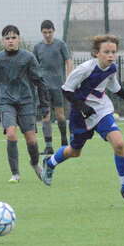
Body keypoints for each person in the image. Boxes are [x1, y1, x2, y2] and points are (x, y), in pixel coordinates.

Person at [41, 34, 124, 200]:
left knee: (119, 144)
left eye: (113, 52)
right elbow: (66, 90)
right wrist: (82, 107)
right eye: (106, 52)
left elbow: (115, 87)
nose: (111, 55)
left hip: (102, 111)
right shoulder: (85, 69)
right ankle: (50, 162)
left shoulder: (112, 68)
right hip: (80, 114)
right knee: (75, 152)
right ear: (97, 53)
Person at [0, 25, 49, 183]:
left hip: (26, 102)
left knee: (31, 139)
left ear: (19, 39)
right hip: (6, 102)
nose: (10, 41)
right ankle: (15, 174)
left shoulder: (28, 58)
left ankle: (35, 163)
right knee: (11, 134)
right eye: (7, 38)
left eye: (13, 37)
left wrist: (44, 105)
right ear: (2, 41)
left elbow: (40, 82)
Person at [33, 20, 73, 155]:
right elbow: (34, 66)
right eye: (45, 32)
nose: (48, 35)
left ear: (53, 31)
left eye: (50, 32)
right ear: (42, 32)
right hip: (43, 87)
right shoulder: (38, 47)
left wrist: (69, 78)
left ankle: (64, 141)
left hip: (58, 86)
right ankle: (48, 146)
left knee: (60, 115)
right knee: (45, 116)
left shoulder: (60, 45)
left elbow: (68, 61)